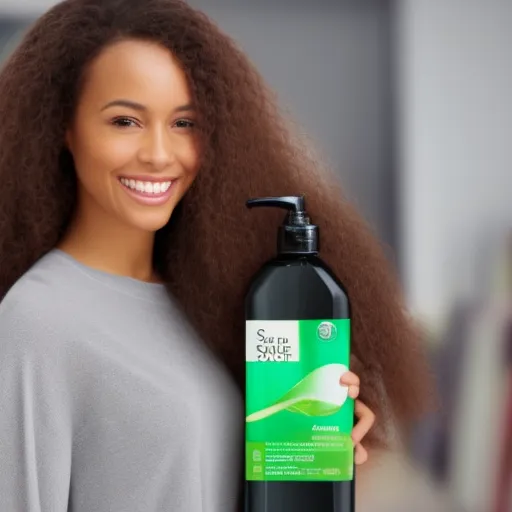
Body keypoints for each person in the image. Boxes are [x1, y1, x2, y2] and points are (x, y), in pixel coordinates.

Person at [0, 0, 433, 510]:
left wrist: (315, 440)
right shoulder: (37, 321)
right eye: (125, 121)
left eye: (184, 124)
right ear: (63, 127)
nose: (160, 154)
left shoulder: (205, 299)